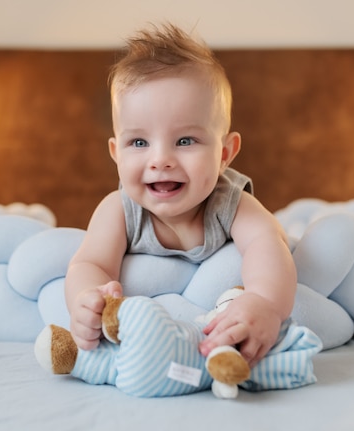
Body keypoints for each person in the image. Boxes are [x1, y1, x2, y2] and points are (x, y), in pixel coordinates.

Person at [64, 23, 297, 368]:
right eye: (139, 142)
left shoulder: (230, 203)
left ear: (224, 154)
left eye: (185, 141)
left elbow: (268, 243)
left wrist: (264, 302)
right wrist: (87, 299)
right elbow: (90, 264)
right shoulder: (118, 210)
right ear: (116, 153)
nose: (160, 161)